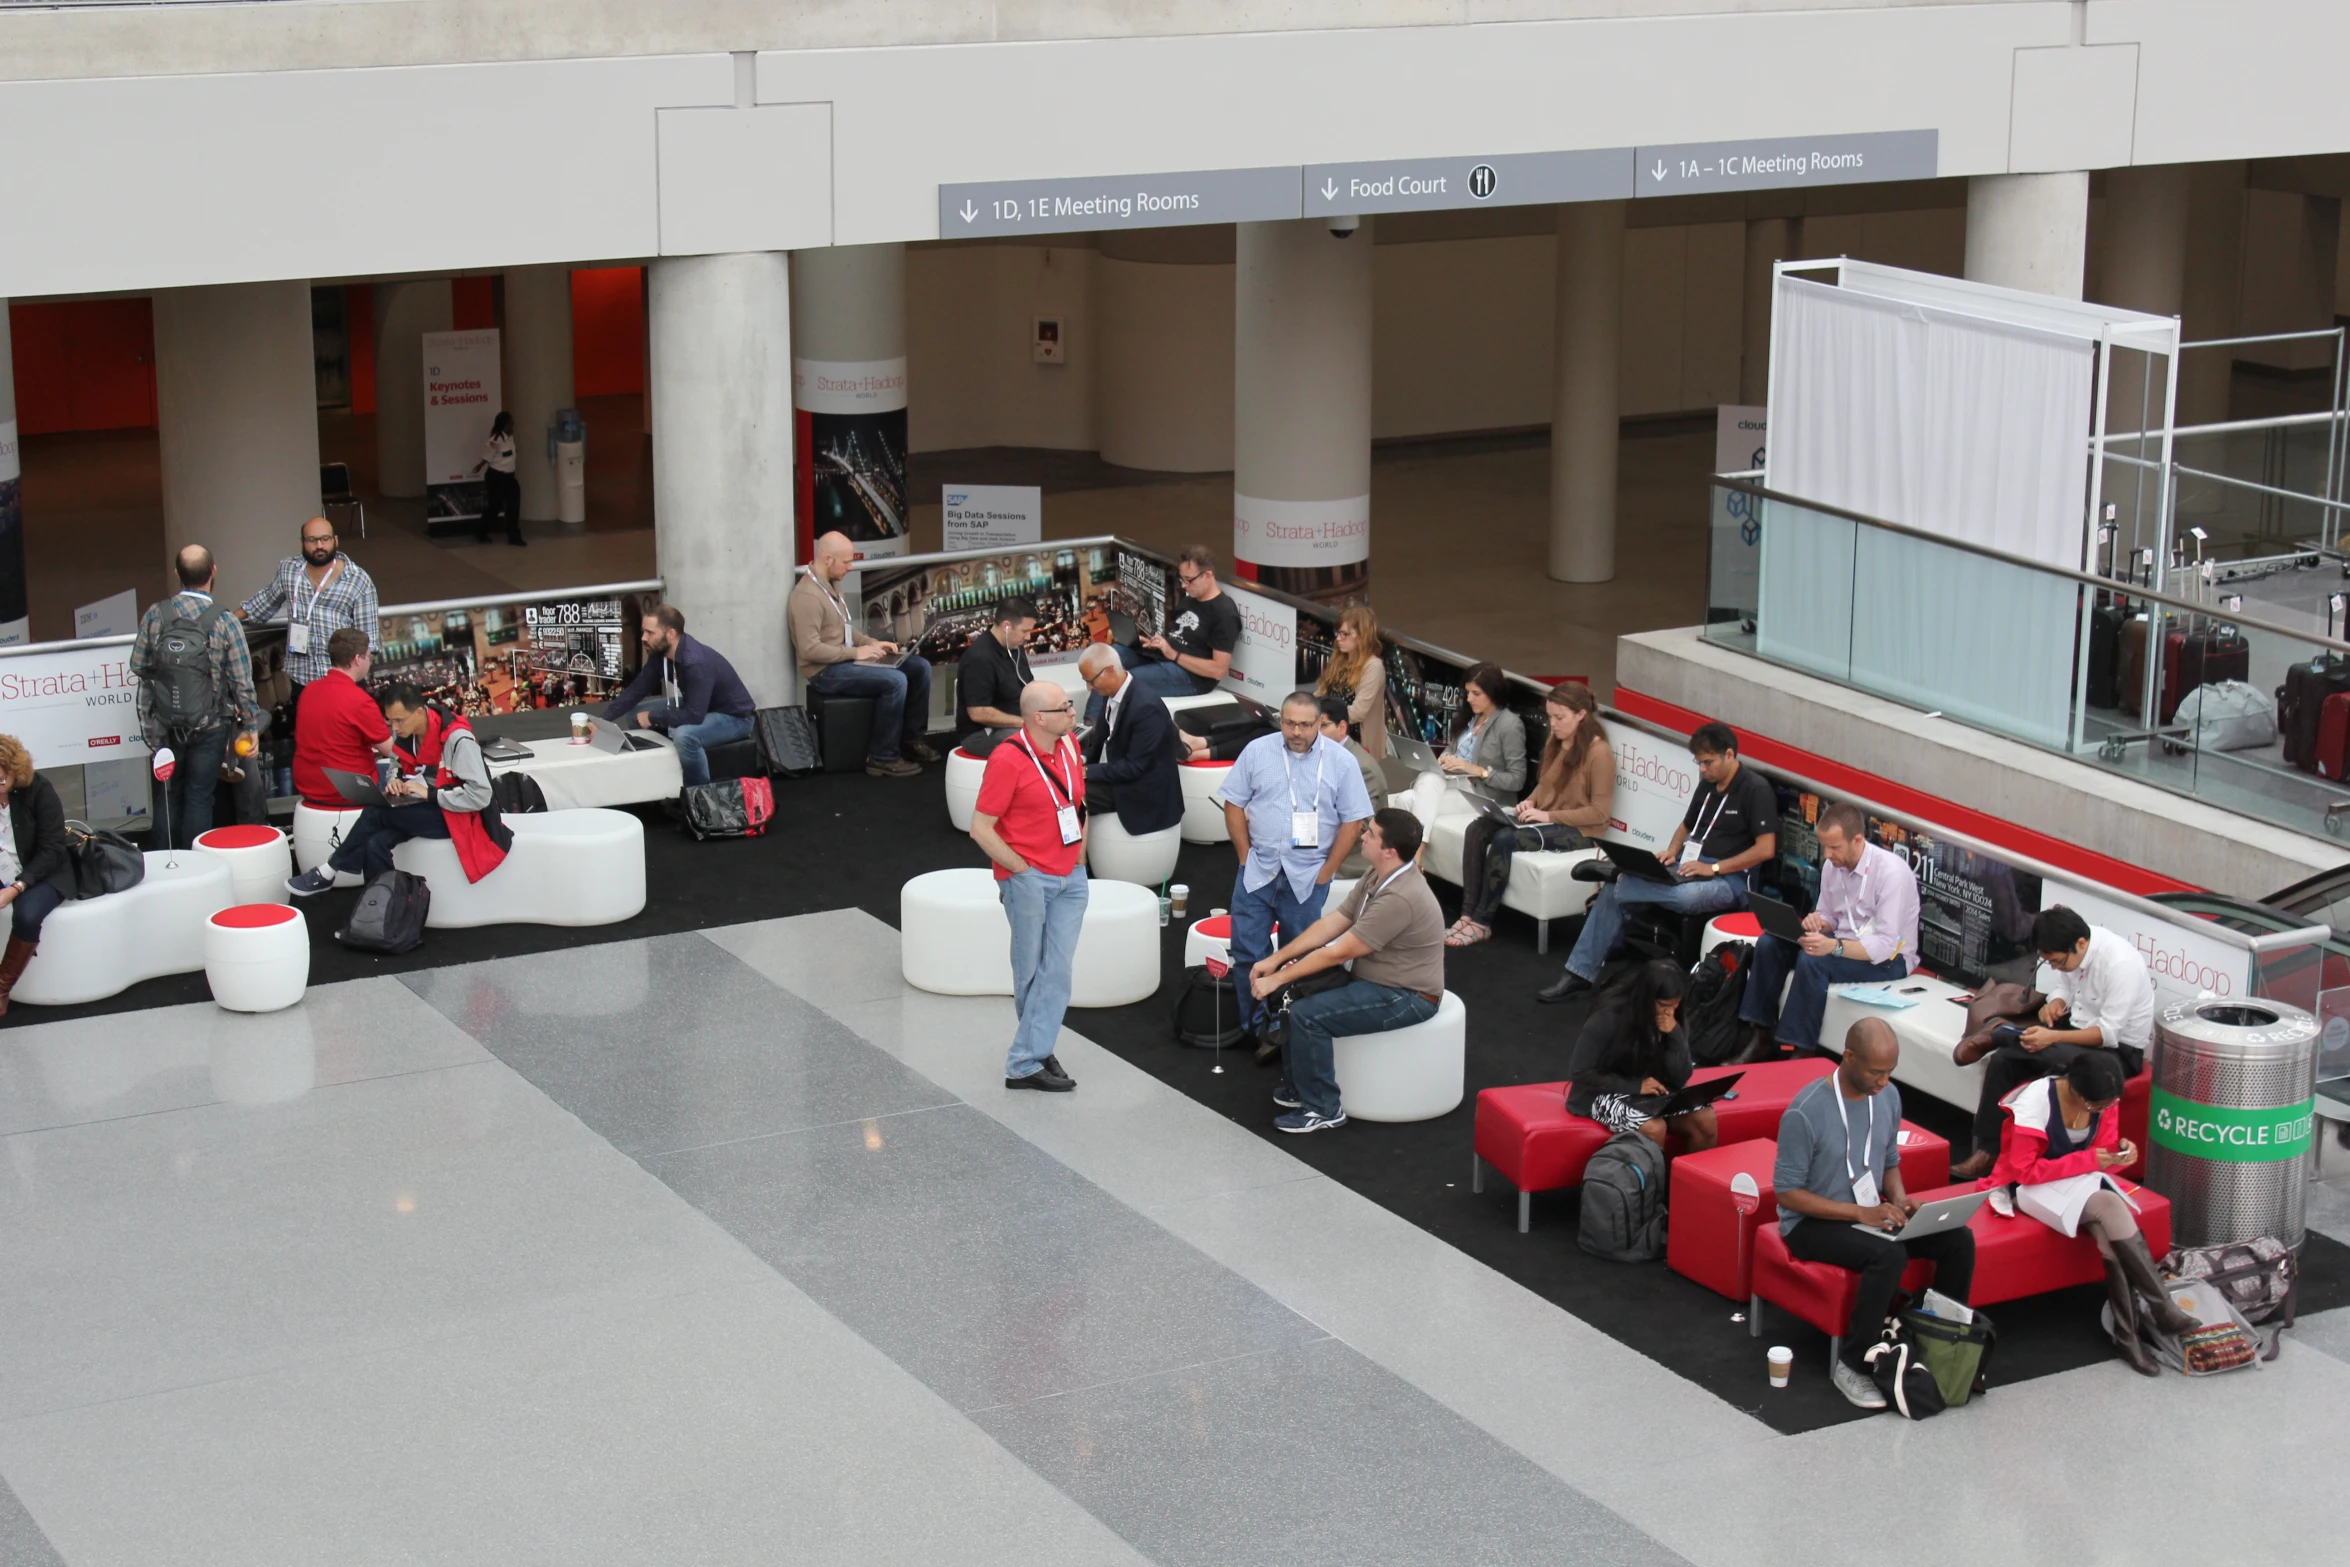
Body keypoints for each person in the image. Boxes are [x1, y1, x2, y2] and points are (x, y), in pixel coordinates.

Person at [1774, 1017, 1976, 1411]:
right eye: (1875, 1072)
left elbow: (1888, 1161)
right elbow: (1788, 1194)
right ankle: (1852, 1364)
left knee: (1957, 1239)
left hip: (1868, 1212)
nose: (1883, 1081)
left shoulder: (1888, 1097)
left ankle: (1940, 1341)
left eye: (1889, 1073)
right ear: (1848, 1057)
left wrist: (1900, 1202)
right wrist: (1859, 1213)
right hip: (1811, 1224)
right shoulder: (1805, 1112)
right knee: (1888, 1254)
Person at [1979, 1050, 2195, 1375]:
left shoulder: (2103, 1099)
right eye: (2098, 1107)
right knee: (2110, 1205)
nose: (2105, 1111)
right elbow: (2024, 1172)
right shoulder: (2035, 1102)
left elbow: (2103, 1150)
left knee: (2109, 1229)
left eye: (2109, 1105)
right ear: (2077, 1092)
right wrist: (2091, 1162)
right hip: (2027, 1188)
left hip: (2077, 1181)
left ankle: (2129, 1334)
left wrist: (2121, 1154)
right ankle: (2159, 1308)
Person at [1539, 720, 1775, 1004]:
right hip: (1688, 867)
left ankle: (1620, 875)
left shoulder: (1756, 790)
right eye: (1699, 763)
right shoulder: (1708, 784)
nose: (1702, 769)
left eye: (1708, 762)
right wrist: (1673, 850)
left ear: (1730, 755)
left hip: (1728, 880)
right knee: (1634, 889)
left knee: (1681, 895)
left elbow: (1766, 849)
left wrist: (1712, 868)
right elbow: (1686, 826)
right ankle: (1577, 975)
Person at [1249, 808, 1445, 1134]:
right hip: (1373, 979)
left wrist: (1278, 977)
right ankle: (1303, 1086)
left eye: (1371, 833)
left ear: (1389, 851)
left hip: (1407, 995)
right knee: (1294, 995)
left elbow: (1340, 950)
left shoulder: (1401, 896)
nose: (1363, 835)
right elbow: (1333, 923)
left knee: (1307, 1014)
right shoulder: (1378, 874)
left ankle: (1324, 1108)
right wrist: (1276, 961)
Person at [1220, 690, 1376, 1056]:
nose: (1295, 731)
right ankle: (1255, 1029)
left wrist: (1327, 873)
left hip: (1307, 878)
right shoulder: (1258, 751)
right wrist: (1244, 857)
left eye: (1305, 725)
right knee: (1247, 952)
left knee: (1302, 959)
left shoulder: (1340, 761)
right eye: (1288, 722)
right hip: (1258, 872)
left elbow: (1353, 822)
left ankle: (1290, 1029)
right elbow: (1233, 803)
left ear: (1320, 723)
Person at [1950, 905, 2155, 1181]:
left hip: (2116, 1052)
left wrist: (2054, 1035)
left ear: (2080, 944)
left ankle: (2002, 1034)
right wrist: (2055, 1002)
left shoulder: (2120, 965)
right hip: (2077, 1028)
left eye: (2058, 961)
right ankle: (1988, 1150)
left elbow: (2108, 1034)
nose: (2056, 966)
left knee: (2048, 1052)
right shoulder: (2073, 946)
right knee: (2002, 1061)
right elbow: (2065, 987)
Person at [969, 681, 1090, 1093]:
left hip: (1069, 876)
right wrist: (1021, 871)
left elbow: (1079, 806)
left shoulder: (1070, 745)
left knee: (1056, 970)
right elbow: (980, 828)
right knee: (1031, 972)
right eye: (1064, 708)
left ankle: (1030, 1053)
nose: (1073, 714)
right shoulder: (1008, 760)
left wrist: (1080, 861)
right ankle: (1030, 1057)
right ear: (1039, 717)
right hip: (1028, 880)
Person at [1735, 802, 1919, 1061]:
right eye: (1825, 847)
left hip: (1889, 961)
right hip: (1844, 943)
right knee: (1769, 943)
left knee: (1813, 960)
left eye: (1834, 847)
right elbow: (1829, 915)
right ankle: (1760, 1035)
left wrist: (1834, 947)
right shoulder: (1833, 866)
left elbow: (1886, 945)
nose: (1828, 855)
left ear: (1857, 840)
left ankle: (1801, 1051)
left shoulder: (1891, 874)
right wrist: (1816, 922)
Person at [287, 681, 511, 892]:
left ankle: (328, 871)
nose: (393, 727)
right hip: (426, 807)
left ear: (419, 713)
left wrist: (430, 794)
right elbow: (396, 762)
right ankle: (378, 913)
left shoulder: (458, 739)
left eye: (399, 720)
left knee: (376, 812)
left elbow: (481, 795)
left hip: (459, 816)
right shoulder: (408, 733)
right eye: (389, 721)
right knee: (375, 843)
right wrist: (395, 780)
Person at [1447, 682, 1613, 948]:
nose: (1553, 724)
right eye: (1550, 717)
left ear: (1581, 714)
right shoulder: (1556, 742)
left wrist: (1548, 817)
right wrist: (1529, 802)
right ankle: (1467, 912)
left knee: (1505, 839)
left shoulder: (1599, 752)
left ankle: (1482, 921)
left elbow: (1599, 813)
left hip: (1582, 832)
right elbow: (1545, 783)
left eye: (1560, 718)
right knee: (1478, 827)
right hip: (1546, 816)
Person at [132, 545, 259, 850]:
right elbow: (243, 681)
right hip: (210, 726)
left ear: (177, 574)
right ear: (213, 571)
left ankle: (164, 865)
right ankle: (195, 866)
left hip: (165, 726)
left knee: (167, 794)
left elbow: (139, 665)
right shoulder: (225, 621)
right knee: (200, 796)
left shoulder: (155, 614)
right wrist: (250, 725)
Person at [789, 530, 937, 777]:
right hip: (824, 671)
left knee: (919, 667)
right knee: (895, 681)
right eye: (846, 561)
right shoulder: (807, 597)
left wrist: (872, 643)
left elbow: (844, 629)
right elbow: (809, 650)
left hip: (843, 659)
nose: (851, 567)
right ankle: (882, 756)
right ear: (827, 559)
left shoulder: (832, 585)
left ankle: (912, 740)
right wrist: (856, 653)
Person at [1567, 959, 1719, 1151]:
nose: (1669, 1012)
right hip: (1602, 1093)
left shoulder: (1672, 1018)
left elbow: (1681, 1077)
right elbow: (1580, 1072)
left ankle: (1692, 1180)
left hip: (1654, 1091)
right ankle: (1652, 1179)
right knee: (1654, 1128)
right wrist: (1636, 1086)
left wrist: (1675, 1036)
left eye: (1675, 1005)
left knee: (1705, 1120)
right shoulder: (1607, 1017)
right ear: (1646, 999)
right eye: (1663, 1005)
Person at [600, 604, 757, 789]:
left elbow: (693, 716)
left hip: (735, 717)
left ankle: (699, 796)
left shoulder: (696, 663)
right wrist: (601, 721)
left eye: (650, 633)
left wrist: (654, 717)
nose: (643, 638)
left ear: (671, 634)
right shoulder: (660, 655)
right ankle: (656, 779)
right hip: (702, 706)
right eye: (643, 632)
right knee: (635, 713)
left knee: (685, 736)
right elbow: (636, 690)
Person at [237, 516, 380, 703]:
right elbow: (263, 603)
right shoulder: (289, 571)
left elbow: (368, 640)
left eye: (325, 539)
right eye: (312, 540)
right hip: (302, 678)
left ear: (335, 540)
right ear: (303, 543)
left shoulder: (358, 580)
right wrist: (229, 619)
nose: (319, 545)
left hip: (342, 681)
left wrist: (353, 680)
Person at [1094, 544, 1241, 717]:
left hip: (1191, 677)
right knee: (1107, 658)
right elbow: (1178, 637)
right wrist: (1155, 643)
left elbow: (1218, 670)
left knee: (1122, 680)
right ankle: (1089, 722)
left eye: (1189, 580)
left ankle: (1097, 727)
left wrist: (1174, 655)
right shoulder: (1189, 601)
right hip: (1165, 657)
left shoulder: (1224, 614)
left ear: (1208, 575)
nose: (1184, 585)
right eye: (1182, 579)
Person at [0, 734, 75, 1017]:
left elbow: (52, 849)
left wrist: (17, 887)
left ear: (14, 772)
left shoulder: (39, 789)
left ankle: (2, 987)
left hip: (43, 871)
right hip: (4, 866)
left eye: (1, 781)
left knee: (28, 914)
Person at [1078, 643, 1182, 837]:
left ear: (1109, 671)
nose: (1089, 687)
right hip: (1116, 774)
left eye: (1091, 681)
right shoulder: (1111, 694)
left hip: (1139, 790)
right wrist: (1078, 761)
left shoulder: (1146, 708)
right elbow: (1100, 745)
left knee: (1067, 794)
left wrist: (1083, 771)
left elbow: (1134, 768)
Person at [291, 628, 397, 810]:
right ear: (357, 659)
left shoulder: (308, 691)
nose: (370, 662)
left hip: (308, 787)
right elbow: (394, 752)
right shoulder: (360, 700)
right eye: (368, 657)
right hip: (348, 793)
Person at [1432, 663, 1525, 804]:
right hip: (1452, 780)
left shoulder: (1509, 724)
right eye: (1467, 692)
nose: (1469, 699)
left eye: (1476, 694)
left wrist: (1478, 771)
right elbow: (1452, 747)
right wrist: (1446, 756)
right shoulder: (1470, 715)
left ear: (1493, 693)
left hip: (1478, 793)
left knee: (1421, 796)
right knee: (1410, 795)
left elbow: (1517, 780)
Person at [957, 598, 1037, 755]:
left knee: (1058, 728)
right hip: (983, 733)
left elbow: (1028, 684)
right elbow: (978, 713)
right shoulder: (979, 658)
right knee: (1039, 741)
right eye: (1025, 631)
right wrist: (1025, 723)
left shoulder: (1014, 646)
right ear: (1006, 627)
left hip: (1017, 719)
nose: (1028, 637)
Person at [1314, 604, 1388, 759]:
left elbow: (1358, 712)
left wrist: (1323, 720)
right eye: (1338, 633)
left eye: (1345, 634)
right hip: (1329, 730)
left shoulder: (1373, 667)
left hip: (1356, 742)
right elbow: (1321, 694)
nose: (1338, 638)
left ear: (1362, 636)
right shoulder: (1338, 659)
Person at [472, 411, 524, 546]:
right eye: (510, 422)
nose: (513, 424)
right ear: (504, 424)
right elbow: (487, 457)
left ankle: (514, 537)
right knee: (494, 507)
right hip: (496, 478)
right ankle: (481, 532)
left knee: (513, 506)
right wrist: (479, 466)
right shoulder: (495, 441)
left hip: (509, 477)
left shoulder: (510, 437)